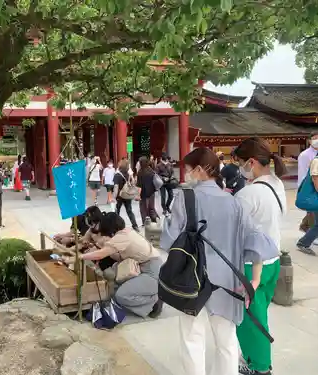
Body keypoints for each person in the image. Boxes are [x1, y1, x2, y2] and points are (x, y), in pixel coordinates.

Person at [160, 147, 279, 375]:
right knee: (226, 341)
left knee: (192, 337)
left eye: (188, 170)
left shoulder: (185, 198)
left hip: (191, 279)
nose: (186, 174)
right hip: (227, 281)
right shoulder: (234, 202)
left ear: (199, 169)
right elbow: (255, 241)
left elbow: (169, 240)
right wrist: (254, 280)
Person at [233, 138, 286, 375]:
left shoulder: (249, 193)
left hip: (250, 265)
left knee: (250, 322)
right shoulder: (277, 184)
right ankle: (260, 361)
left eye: (242, 163)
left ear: (252, 162)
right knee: (260, 314)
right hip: (272, 262)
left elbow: (232, 230)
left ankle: (259, 367)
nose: (240, 169)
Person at [76, 212, 163, 318]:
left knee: (121, 295)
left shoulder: (122, 236)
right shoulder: (126, 232)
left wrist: (81, 257)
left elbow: (100, 255)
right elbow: (116, 256)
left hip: (153, 271)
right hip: (139, 265)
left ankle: (154, 301)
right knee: (113, 283)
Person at [297, 132, 318, 234]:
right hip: (309, 185)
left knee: (313, 210)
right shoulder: (305, 155)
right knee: (312, 210)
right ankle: (311, 234)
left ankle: (305, 226)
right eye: (315, 138)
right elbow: (303, 172)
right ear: (310, 141)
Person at [113, 159, 139, 231]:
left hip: (119, 196)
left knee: (117, 211)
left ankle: (116, 226)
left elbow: (116, 187)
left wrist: (113, 197)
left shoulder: (117, 175)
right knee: (129, 211)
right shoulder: (128, 174)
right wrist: (131, 175)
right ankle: (135, 226)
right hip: (127, 195)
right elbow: (133, 184)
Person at [136, 156, 159, 224]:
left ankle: (145, 222)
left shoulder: (140, 172)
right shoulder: (151, 170)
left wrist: (138, 195)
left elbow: (139, 186)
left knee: (143, 208)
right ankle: (155, 220)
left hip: (143, 193)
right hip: (152, 192)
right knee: (151, 207)